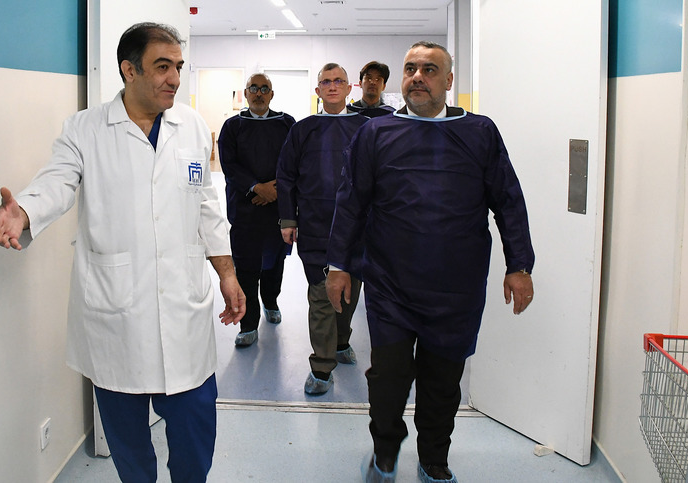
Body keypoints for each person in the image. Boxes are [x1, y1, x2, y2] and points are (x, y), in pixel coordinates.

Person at [0, 22, 245, 483]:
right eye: (162, 67)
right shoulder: (85, 129)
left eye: (178, 67)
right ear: (129, 70)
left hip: (184, 314)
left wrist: (226, 273)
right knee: (129, 449)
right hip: (116, 318)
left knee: (195, 437)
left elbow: (206, 204)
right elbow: (57, 182)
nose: (174, 78)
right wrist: (24, 211)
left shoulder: (191, 126)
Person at [325, 41, 535, 483]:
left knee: (442, 383)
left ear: (449, 80)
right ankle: (385, 451)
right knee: (388, 378)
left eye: (430, 69)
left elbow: (508, 201)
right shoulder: (376, 133)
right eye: (410, 69)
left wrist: (519, 265)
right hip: (390, 285)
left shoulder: (479, 132)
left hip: (456, 288)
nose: (417, 76)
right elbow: (351, 202)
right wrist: (339, 264)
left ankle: (434, 458)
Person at [276, 63, 367, 396]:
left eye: (338, 81)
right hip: (315, 225)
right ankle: (322, 367)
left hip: (357, 227)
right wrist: (288, 219)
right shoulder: (303, 130)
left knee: (350, 290)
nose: (332, 86)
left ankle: (341, 342)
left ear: (349, 88)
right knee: (320, 294)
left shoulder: (366, 128)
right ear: (317, 90)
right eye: (326, 82)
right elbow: (286, 175)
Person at [217, 73, 296, 347]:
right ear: (246, 93)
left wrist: (274, 189)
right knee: (246, 268)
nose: (259, 93)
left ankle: (271, 302)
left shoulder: (286, 124)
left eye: (264, 89)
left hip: (277, 209)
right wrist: (255, 187)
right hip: (245, 209)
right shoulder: (233, 127)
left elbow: (293, 162)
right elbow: (229, 166)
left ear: (272, 94)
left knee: (275, 263)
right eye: (254, 88)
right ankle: (248, 325)